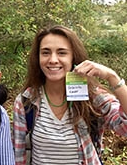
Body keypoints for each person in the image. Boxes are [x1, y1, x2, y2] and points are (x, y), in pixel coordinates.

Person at [13, 25, 127, 165]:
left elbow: (124, 128)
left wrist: (112, 77)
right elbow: (19, 155)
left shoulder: (92, 97)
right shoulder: (26, 101)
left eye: (62, 53)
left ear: (73, 57)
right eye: (45, 52)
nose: (53, 60)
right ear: (38, 58)